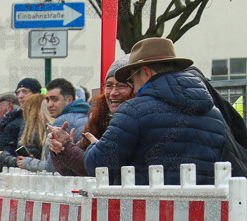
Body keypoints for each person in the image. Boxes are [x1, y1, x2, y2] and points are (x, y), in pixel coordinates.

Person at [83, 38, 226, 185]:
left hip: (148, 199)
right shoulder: (215, 115)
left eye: (132, 78)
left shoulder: (134, 110)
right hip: (203, 199)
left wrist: (94, 146)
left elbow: (100, 166)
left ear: (146, 72)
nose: (134, 86)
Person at [50, 56, 133, 175]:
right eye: (109, 85)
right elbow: (70, 171)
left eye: (121, 86)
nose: (113, 93)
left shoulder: (129, 122)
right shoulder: (99, 119)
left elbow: (99, 168)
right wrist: (58, 149)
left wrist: (67, 147)